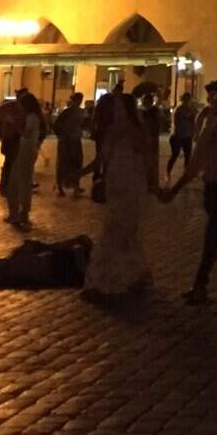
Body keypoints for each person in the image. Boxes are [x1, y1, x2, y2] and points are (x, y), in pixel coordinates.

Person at [160, 80, 217, 305]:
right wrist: (175, 189)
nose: (213, 103)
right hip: (211, 185)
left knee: (212, 233)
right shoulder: (208, 128)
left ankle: (201, 284)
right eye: (212, 99)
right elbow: (196, 162)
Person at [80, 91, 157, 303]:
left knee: (119, 230)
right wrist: (80, 173)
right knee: (119, 229)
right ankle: (126, 275)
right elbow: (101, 160)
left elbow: (147, 156)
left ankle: (116, 279)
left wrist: (153, 182)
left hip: (129, 184)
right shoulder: (118, 131)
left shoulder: (132, 131)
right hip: (118, 183)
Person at [5, 91, 43, 230]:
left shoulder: (32, 117)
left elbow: (26, 133)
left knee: (21, 183)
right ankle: (17, 212)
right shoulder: (34, 117)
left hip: (26, 151)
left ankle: (21, 213)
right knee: (18, 183)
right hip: (27, 150)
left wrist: (14, 124)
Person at [53, 93, 86, 196]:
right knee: (63, 163)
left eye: (80, 99)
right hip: (67, 140)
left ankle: (75, 185)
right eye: (78, 99)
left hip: (75, 140)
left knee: (76, 162)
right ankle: (60, 186)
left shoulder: (81, 112)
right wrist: (62, 135)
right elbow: (57, 125)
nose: (79, 101)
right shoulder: (67, 112)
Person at [0, 94, 24, 198]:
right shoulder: (11, 106)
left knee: (13, 162)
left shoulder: (23, 108)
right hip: (10, 137)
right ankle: (5, 185)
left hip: (17, 137)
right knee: (9, 162)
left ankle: (9, 184)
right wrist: (6, 117)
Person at [168, 92, 196, 180]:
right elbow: (178, 121)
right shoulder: (179, 109)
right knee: (175, 155)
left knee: (187, 155)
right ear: (183, 99)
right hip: (178, 135)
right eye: (186, 98)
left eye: (189, 98)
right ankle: (168, 172)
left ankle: (186, 173)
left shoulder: (190, 109)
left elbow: (192, 121)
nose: (187, 100)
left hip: (187, 135)